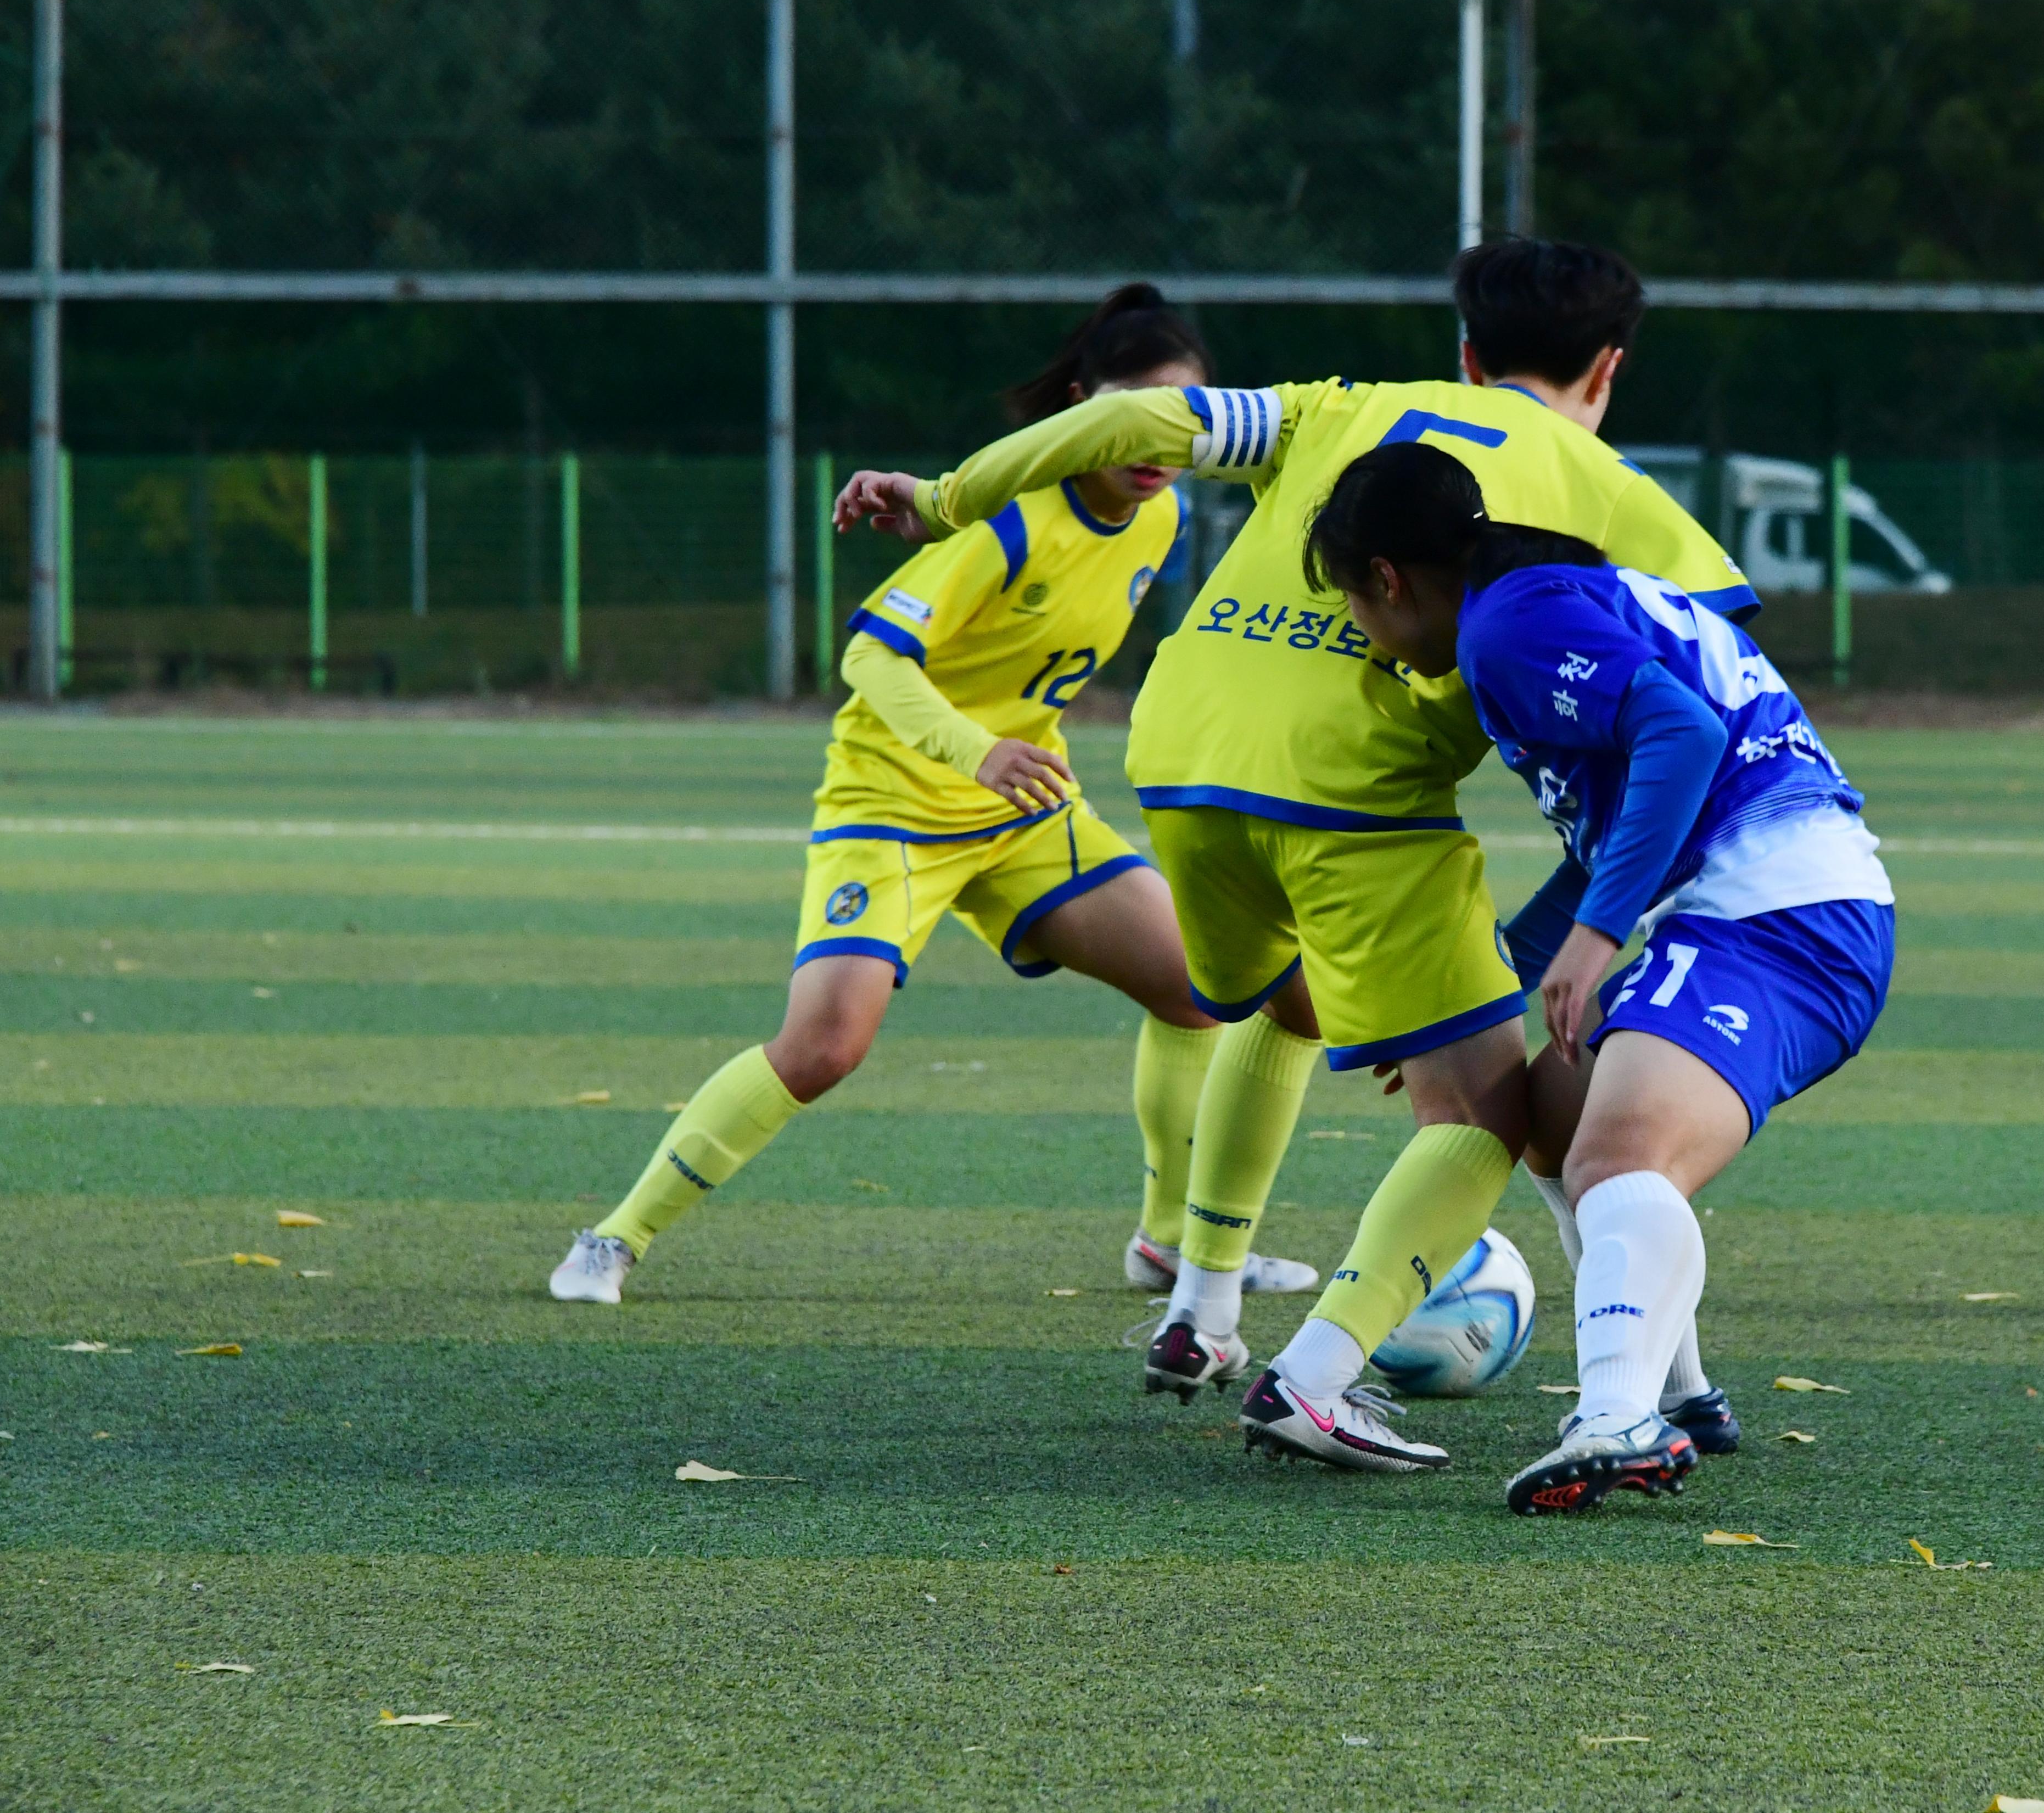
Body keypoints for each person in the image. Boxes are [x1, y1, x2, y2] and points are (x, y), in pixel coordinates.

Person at [831, 239, 1755, 1458]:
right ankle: (1319, 1374)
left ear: (1466, 353)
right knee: (1485, 1106)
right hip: (1353, 790)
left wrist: (945, 497)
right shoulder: (1612, 488)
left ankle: (1203, 1304)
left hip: (1182, 753)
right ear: (1610, 369)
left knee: (1293, 1001)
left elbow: (1139, 420)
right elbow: (1711, 665)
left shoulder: (1342, 406)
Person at [549, 287, 1321, 1310]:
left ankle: (1169, 1243)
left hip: (1025, 810)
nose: (1156, 443)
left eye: (1179, 420)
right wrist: (975, 750)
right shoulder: (1009, 519)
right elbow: (872, 653)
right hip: (896, 800)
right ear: (1082, 405)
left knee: (1198, 989)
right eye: (1132, 414)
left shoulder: (1163, 513)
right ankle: (611, 1240)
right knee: (826, 1047)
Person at [1298, 440, 1894, 1511]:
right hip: (1762, 910)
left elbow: (1684, 733)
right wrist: (1478, 994)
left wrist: (1595, 940)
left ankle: (1614, 1418)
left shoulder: (1508, 623)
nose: (1362, 632)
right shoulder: (1539, 601)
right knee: (1550, 1120)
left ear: (1386, 578)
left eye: (1352, 601)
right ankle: (1682, 1390)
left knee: (1622, 1151)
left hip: (1777, 911)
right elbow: (1615, 830)